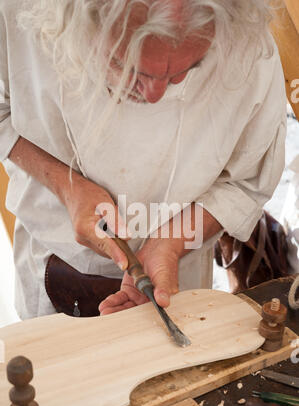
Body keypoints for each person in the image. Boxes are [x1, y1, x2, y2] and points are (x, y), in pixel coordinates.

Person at [0, 0, 287, 320]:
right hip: (51, 260)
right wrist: (66, 186)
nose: (154, 95)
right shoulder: (17, 13)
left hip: (175, 275)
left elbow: (246, 180)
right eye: (125, 67)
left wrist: (171, 243)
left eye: (187, 70)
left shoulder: (245, 38)